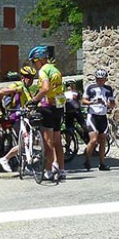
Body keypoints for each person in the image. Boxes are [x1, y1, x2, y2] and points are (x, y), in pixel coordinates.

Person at [27, 45, 67, 181]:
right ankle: (61, 170)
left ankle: (48, 171)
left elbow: (45, 88)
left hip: (47, 107)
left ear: (40, 59)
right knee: (57, 141)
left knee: (48, 141)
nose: (34, 65)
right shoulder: (55, 69)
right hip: (59, 106)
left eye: (34, 61)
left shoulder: (43, 71)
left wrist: (34, 100)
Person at [0, 65, 38, 173]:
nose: (31, 80)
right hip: (16, 118)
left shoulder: (27, 89)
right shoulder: (19, 85)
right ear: (23, 77)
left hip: (24, 117)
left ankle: (25, 164)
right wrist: (14, 90)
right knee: (25, 142)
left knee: (29, 140)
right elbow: (1, 92)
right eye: (28, 77)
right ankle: (5, 159)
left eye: (32, 77)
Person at [81, 69, 115, 171]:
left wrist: (108, 104)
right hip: (93, 116)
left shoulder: (109, 89)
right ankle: (87, 159)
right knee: (94, 140)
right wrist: (93, 102)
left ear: (105, 79)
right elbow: (83, 101)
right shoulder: (90, 88)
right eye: (98, 79)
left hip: (103, 116)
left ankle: (102, 163)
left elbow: (113, 104)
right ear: (96, 79)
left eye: (102, 79)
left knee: (103, 139)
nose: (100, 81)